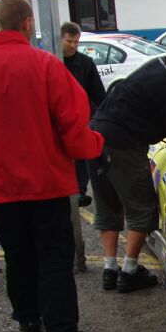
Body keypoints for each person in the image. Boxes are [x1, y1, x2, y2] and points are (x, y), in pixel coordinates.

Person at [0, 0, 104, 332]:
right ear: (29, 22)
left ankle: (27, 316)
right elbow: (73, 126)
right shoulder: (46, 66)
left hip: (0, 185)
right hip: (46, 183)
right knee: (53, 256)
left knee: (17, 252)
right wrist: (95, 145)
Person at [88, 33, 166, 294]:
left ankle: (110, 270)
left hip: (95, 136)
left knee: (108, 204)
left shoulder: (156, 65)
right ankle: (129, 273)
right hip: (123, 145)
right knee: (142, 207)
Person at [61, 21, 106, 208]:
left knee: (81, 154)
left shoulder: (85, 63)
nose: (72, 45)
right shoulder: (52, 60)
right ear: (60, 39)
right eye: (69, 41)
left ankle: (80, 190)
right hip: (59, 118)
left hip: (81, 118)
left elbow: (98, 94)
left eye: (76, 42)